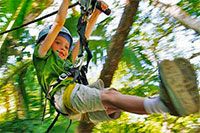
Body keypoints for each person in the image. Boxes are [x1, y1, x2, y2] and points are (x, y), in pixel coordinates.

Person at [33, 0, 199, 124]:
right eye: (57, 42)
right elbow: (58, 23)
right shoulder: (42, 55)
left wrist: (96, 13)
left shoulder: (67, 61)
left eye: (66, 46)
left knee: (114, 97)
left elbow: (84, 38)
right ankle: (164, 105)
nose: (63, 48)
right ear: (45, 42)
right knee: (110, 97)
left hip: (71, 96)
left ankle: (161, 103)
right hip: (64, 96)